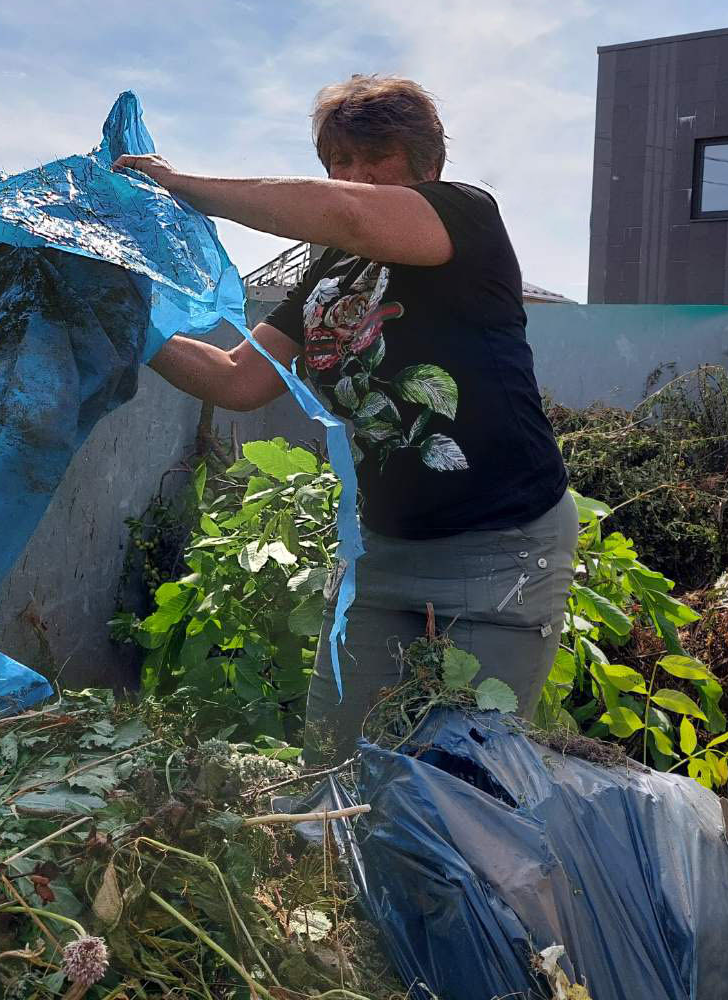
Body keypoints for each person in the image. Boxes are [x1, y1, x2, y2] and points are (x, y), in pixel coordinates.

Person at [114, 75, 574, 763]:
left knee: (469, 782)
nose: (353, 177)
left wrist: (184, 185)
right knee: (336, 755)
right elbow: (239, 379)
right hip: (383, 552)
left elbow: (350, 214)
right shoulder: (333, 270)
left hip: (499, 550)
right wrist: (128, 328)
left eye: (374, 159)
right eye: (339, 162)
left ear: (426, 165)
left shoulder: (464, 217)